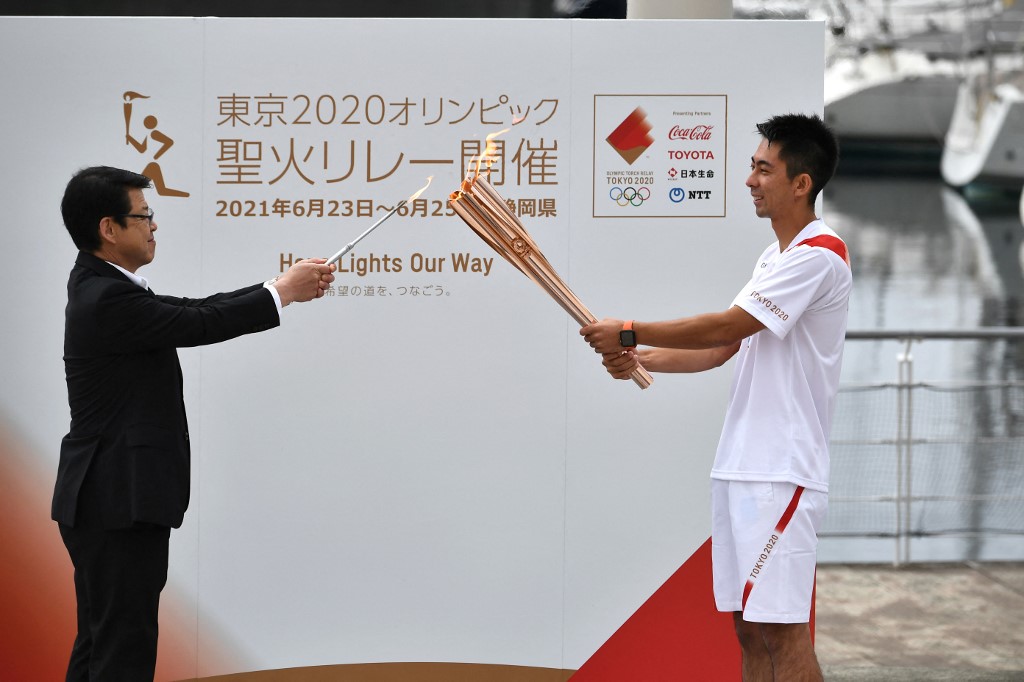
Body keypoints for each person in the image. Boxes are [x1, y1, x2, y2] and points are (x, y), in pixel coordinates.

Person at [581, 114, 849, 681]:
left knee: (781, 629)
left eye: (763, 169)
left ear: (801, 183)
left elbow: (721, 325)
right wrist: (638, 359)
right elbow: (724, 347)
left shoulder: (818, 255)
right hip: (742, 465)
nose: (750, 180)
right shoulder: (774, 258)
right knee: (749, 627)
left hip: (782, 469)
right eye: (752, 167)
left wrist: (630, 331)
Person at [52, 166, 336, 680]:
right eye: (144, 216)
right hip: (116, 500)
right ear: (108, 228)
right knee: (122, 649)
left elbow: (190, 308)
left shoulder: (105, 287)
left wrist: (277, 287)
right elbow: (198, 322)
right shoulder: (106, 299)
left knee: (101, 642)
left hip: (104, 498)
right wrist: (283, 295)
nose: (154, 226)